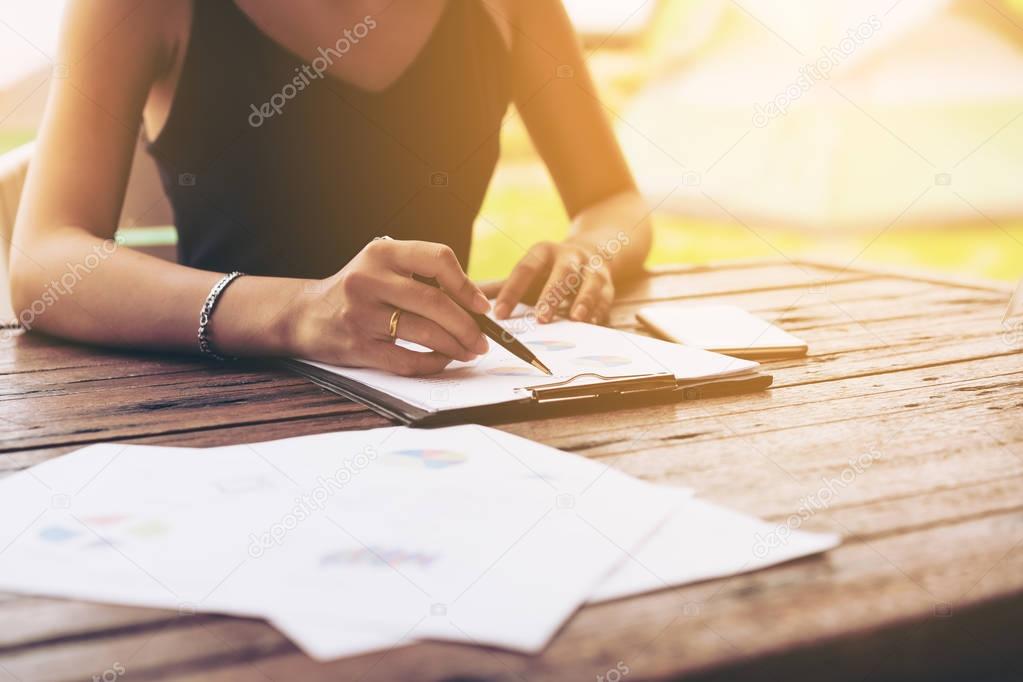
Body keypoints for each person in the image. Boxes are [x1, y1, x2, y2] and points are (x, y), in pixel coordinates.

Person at [9, 0, 652, 376]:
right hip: (226, 409)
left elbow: (612, 201)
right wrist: (298, 313)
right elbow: (45, 258)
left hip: (447, 397)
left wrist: (591, 249)